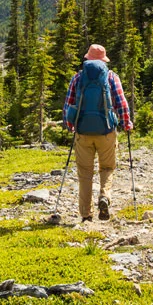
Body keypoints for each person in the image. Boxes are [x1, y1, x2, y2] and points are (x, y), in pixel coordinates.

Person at [62, 44, 133, 221]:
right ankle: (104, 196)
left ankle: (86, 214)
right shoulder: (111, 77)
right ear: (103, 60)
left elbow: (68, 105)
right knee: (107, 168)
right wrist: (126, 123)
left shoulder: (77, 78)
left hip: (83, 133)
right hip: (106, 131)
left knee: (85, 173)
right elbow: (122, 103)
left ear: (87, 58)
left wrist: (70, 125)